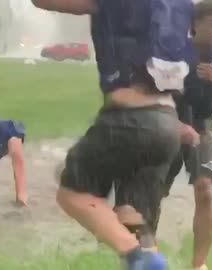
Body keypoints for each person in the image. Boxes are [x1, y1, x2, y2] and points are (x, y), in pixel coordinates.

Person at [32, 0, 198, 269]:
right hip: (167, 124)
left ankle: (141, 257)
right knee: (130, 216)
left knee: (72, 193)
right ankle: (143, 251)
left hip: (128, 120)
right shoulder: (180, 5)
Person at [162, 2, 212, 270]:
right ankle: (143, 250)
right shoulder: (174, 50)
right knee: (153, 192)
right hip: (169, 122)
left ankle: (199, 264)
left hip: (204, 125)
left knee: (205, 190)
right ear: (194, 25)